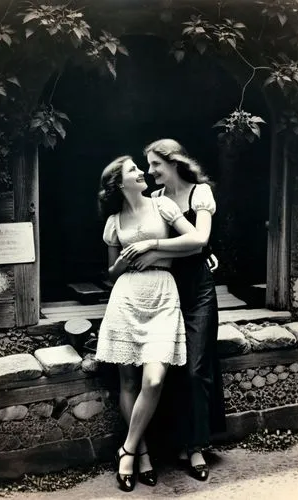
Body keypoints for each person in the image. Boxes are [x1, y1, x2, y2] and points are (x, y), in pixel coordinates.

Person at [95, 155, 208, 492]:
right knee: (128, 382)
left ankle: (126, 449)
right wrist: (125, 262)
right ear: (119, 183)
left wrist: (153, 246)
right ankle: (140, 454)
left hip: (162, 296)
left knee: (154, 379)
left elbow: (195, 241)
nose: (142, 172)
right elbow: (111, 272)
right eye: (133, 170)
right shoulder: (114, 221)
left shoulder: (163, 207)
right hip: (127, 298)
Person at [123, 139, 226, 481]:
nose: (150, 171)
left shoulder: (201, 193)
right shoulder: (153, 200)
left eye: (155, 165)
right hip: (162, 289)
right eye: (147, 166)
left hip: (196, 289)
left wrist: (156, 246)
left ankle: (195, 446)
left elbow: (199, 239)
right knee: (165, 370)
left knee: (196, 367)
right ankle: (163, 445)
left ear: (174, 163)